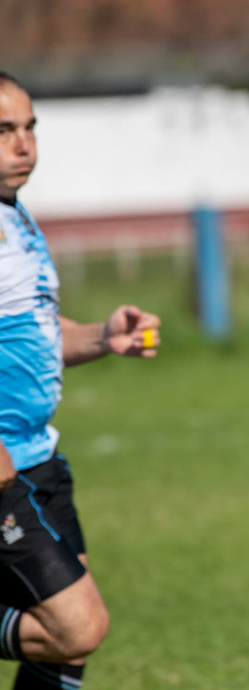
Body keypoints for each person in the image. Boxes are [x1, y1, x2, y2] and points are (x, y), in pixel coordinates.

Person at [0, 72, 161, 689]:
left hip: (40, 459)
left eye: (30, 128)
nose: (24, 145)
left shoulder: (16, 218)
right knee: (77, 626)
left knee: (64, 649)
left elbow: (33, 332)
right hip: (5, 463)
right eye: (5, 130)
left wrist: (102, 337)